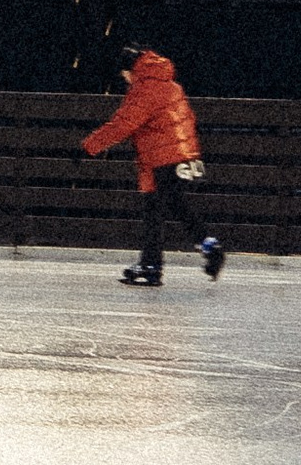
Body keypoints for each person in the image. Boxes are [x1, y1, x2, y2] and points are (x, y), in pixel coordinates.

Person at [80, 41, 227, 286]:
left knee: (157, 212)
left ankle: (154, 265)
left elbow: (123, 124)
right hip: (176, 155)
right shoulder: (170, 85)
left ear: (131, 69)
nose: (125, 79)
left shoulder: (145, 88)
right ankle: (204, 248)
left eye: (124, 74)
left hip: (163, 158)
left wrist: (90, 146)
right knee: (171, 207)